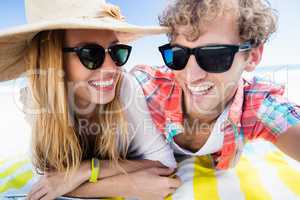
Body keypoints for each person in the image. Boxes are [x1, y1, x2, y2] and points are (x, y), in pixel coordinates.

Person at [0, 0, 181, 199]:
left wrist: (87, 170)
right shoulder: (35, 102)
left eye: (116, 52)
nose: (112, 68)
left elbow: (165, 163)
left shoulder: (125, 87)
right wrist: (129, 185)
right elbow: (48, 182)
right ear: (53, 59)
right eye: (91, 54)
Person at [132, 0, 300, 170]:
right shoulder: (144, 89)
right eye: (178, 55)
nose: (191, 76)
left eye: (214, 56)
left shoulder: (257, 106)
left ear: (253, 56)